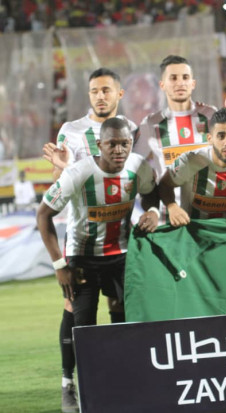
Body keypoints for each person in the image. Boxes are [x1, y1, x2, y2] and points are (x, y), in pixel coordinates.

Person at [36, 118, 159, 413]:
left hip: (121, 253)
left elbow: (151, 192)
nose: (118, 150)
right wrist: (59, 264)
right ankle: (70, 384)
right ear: (99, 145)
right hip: (82, 258)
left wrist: (154, 210)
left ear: (131, 144)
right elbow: (43, 215)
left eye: (124, 144)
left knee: (125, 318)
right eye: (112, 144)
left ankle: (121, 382)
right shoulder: (78, 173)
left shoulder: (139, 166)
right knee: (84, 325)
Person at [40, 68, 136, 412]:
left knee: (119, 306)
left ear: (119, 94)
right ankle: (69, 382)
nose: (100, 96)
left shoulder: (129, 128)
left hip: (119, 238)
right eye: (94, 91)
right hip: (82, 238)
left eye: (106, 90)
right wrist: (62, 167)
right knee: (76, 309)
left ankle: (119, 379)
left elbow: (134, 175)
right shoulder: (72, 130)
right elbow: (59, 182)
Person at [133, 55, 217, 221]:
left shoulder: (211, 115)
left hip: (211, 211)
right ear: (162, 85)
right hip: (171, 215)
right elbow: (134, 167)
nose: (180, 83)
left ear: (193, 83)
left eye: (185, 77)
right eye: (173, 78)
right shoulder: (151, 124)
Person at [158, 108, 226, 226]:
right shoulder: (190, 161)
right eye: (221, 136)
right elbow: (165, 184)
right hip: (193, 230)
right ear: (210, 139)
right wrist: (172, 206)